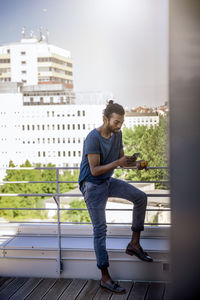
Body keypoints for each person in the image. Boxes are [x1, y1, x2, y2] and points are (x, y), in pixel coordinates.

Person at [79, 100, 153, 294]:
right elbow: (94, 171)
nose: (119, 126)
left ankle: (134, 244)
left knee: (140, 197)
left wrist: (137, 165)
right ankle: (105, 277)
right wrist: (119, 162)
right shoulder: (92, 138)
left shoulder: (117, 135)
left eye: (122, 122)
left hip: (107, 181)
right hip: (92, 185)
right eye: (116, 122)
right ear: (106, 119)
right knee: (100, 230)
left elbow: (121, 163)